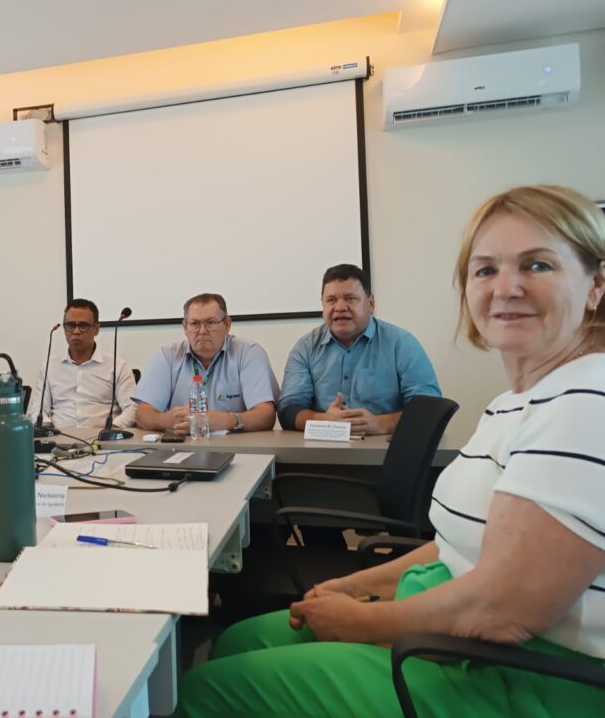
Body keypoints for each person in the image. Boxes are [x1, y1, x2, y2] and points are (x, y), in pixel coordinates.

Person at [174, 185, 605, 717]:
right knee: (241, 641)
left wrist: (356, 621)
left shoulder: (588, 398)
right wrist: (351, 585)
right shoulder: (513, 403)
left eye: (538, 265)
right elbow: (455, 546)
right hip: (447, 617)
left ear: (595, 286)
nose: (507, 287)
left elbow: (502, 611)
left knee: (201, 690)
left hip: (496, 670)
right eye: (485, 269)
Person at [277, 263, 441, 435]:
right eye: (331, 300)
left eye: (350, 298)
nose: (340, 307)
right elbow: (288, 411)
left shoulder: (401, 344)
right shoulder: (305, 348)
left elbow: (429, 410)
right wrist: (325, 421)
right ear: (323, 307)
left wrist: (381, 423)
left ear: (371, 303)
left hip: (386, 454)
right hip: (320, 452)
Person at [133, 293, 279, 434]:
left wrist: (226, 421)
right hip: (182, 447)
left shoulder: (248, 353)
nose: (202, 331)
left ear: (227, 325)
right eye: (194, 323)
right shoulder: (168, 355)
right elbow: (142, 414)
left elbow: (266, 415)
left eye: (210, 323)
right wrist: (174, 421)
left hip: (236, 448)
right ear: (185, 327)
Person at [27, 299, 136, 429]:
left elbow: (133, 408)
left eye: (83, 326)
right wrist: (47, 430)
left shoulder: (117, 366)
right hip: (58, 440)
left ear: (96, 329)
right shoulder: (50, 366)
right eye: (70, 325)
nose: (76, 331)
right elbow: (37, 410)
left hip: (102, 441)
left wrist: (113, 429)